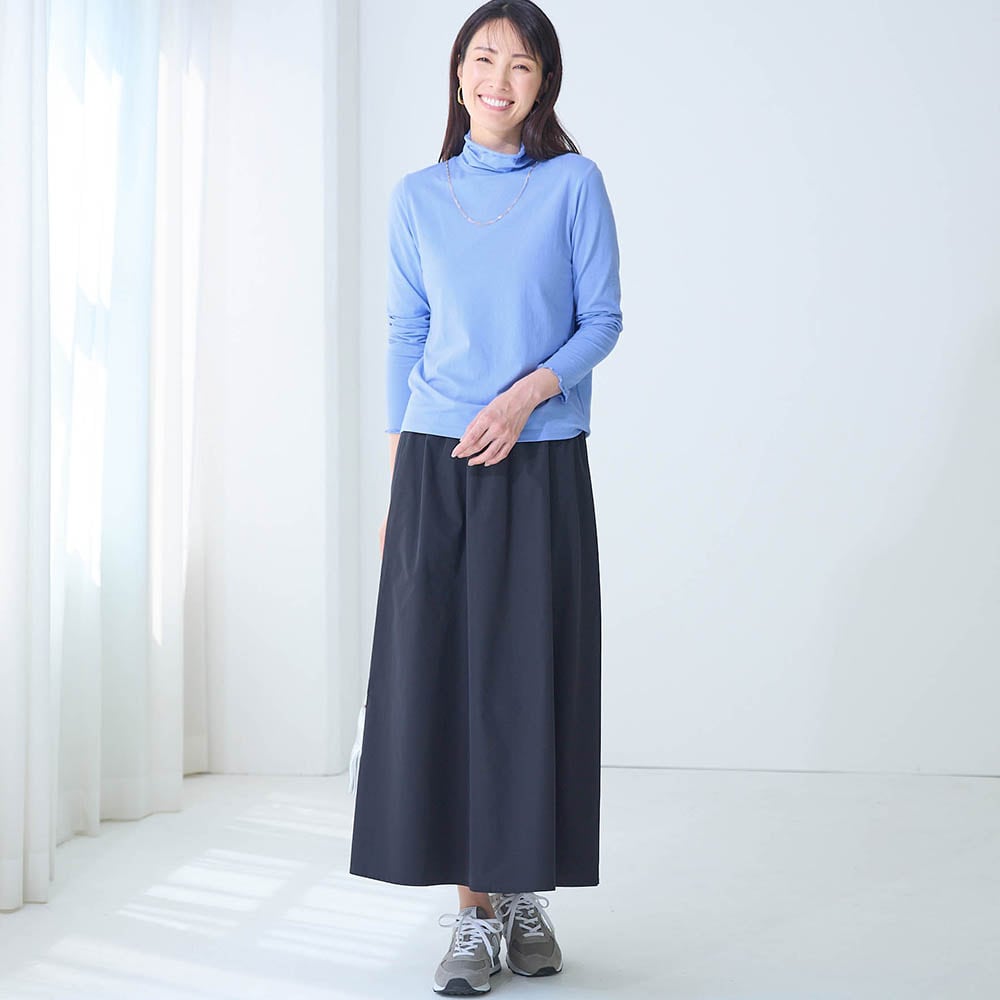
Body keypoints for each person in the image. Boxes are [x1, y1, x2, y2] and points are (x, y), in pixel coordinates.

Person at [348, 0, 623, 993]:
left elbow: (601, 320)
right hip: (437, 462)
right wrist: (399, 479)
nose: (497, 79)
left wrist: (524, 395)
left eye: (520, 64)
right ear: (458, 72)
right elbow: (404, 334)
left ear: (544, 82)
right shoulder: (418, 196)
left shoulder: (573, 184)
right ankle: (472, 912)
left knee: (529, 681)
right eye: (482, 57)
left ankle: (522, 892)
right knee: (445, 686)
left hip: (539, 459)